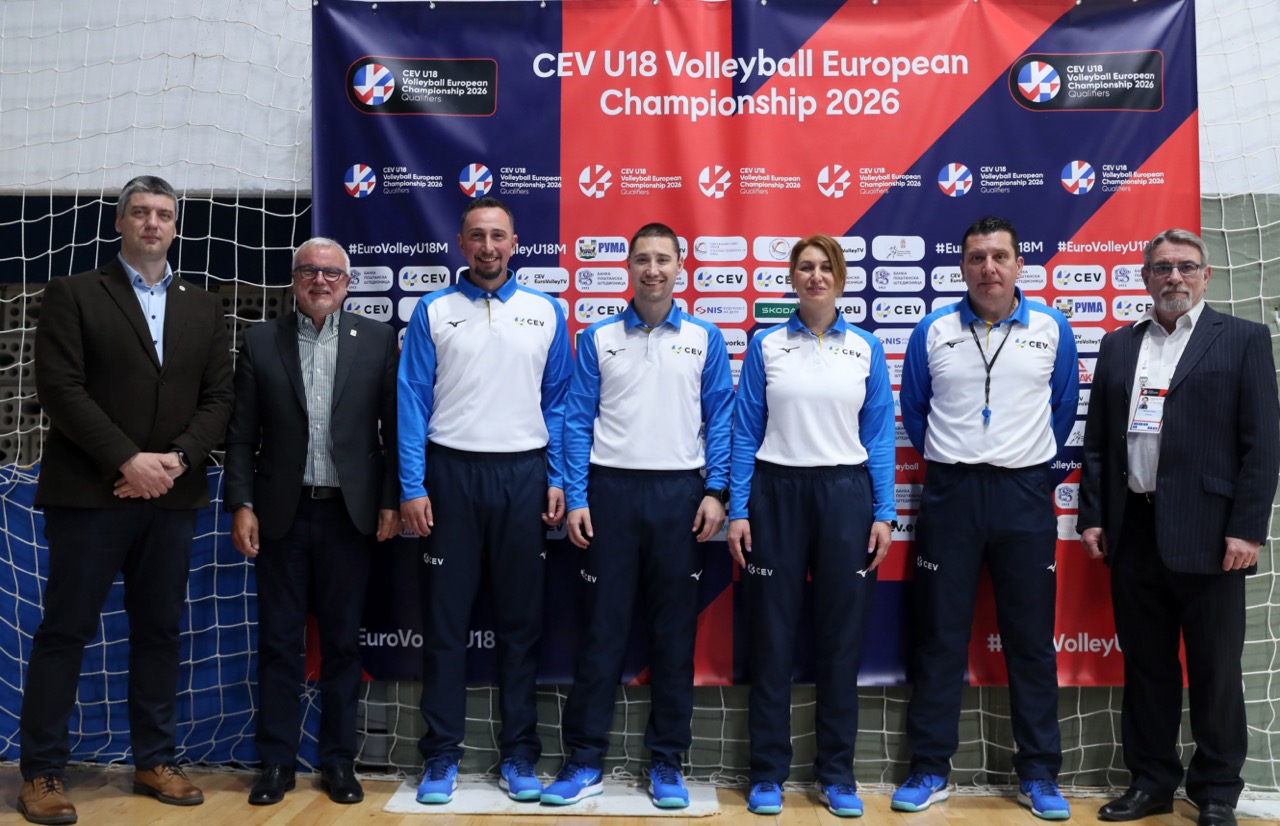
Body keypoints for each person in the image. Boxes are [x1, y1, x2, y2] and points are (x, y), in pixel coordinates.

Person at [18, 175, 234, 823]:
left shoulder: (204, 305)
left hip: (171, 495)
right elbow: (60, 389)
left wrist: (178, 460)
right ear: (119, 222)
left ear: (176, 226)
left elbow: (219, 398)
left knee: (159, 633)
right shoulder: (75, 293)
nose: (152, 223)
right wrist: (127, 460)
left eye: (163, 214)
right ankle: (42, 772)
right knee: (66, 632)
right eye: (140, 212)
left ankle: (155, 760)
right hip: (90, 495)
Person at [1078, 229, 1279, 826]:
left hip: (1213, 535)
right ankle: (1152, 783)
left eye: (1186, 267)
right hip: (1133, 529)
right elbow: (1097, 443)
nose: (1174, 277)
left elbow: (1263, 445)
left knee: (1216, 669)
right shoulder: (1119, 345)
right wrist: (1094, 515)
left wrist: (1247, 529)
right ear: (1145, 277)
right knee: (1147, 667)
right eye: (1162, 267)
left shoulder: (1242, 339)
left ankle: (1216, 791)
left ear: (1205, 275)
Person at [541, 223, 733, 809]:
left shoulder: (705, 337)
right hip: (610, 495)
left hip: (681, 498)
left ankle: (667, 762)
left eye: (663, 260)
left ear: (680, 268)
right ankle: (584, 762)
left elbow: (721, 418)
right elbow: (577, 419)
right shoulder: (598, 337)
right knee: (601, 634)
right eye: (643, 260)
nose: (653, 270)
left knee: (674, 637)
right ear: (628, 267)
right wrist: (577, 497)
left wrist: (717, 491)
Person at [895, 215, 1077, 820]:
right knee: (940, 636)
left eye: (999, 256)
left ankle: (1039, 774)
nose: (988, 268)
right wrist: (961, 461)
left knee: (1031, 641)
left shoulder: (1052, 328)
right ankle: (929, 769)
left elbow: (1062, 407)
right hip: (951, 494)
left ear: (1020, 265)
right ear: (963, 267)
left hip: (1024, 494)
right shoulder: (933, 329)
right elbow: (916, 409)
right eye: (977, 258)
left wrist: (1022, 464)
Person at [398, 196, 572, 804]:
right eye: (477, 235)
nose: (488, 246)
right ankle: (441, 756)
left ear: (515, 243)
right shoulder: (433, 309)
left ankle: (519, 754)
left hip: (523, 476)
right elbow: (412, 399)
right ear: (461, 243)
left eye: (498, 235)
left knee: (521, 625)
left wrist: (558, 477)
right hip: (451, 475)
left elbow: (560, 403)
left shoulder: (547, 311)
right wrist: (413, 484)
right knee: (445, 625)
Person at [224, 237, 401, 806]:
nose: (320, 280)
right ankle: (276, 762)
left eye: (331, 273)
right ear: (294, 280)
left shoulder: (378, 340)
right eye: (308, 271)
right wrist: (242, 503)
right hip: (282, 515)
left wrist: (391, 501)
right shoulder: (260, 341)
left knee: (343, 645)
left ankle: (338, 762)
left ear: (347, 283)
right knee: (280, 644)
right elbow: (240, 435)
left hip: (350, 517)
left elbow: (395, 429)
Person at [727, 234, 895, 818]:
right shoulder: (766, 344)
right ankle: (767, 773)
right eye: (806, 267)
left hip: (845, 496)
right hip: (776, 493)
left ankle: (837, 774)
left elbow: (878, 435)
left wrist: (884, 512)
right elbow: (745, 429)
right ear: (793, 278)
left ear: (840, 278)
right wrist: (740, 508)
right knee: (771, 639)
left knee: (840, 641)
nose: (816, 276)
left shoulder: (867, 347)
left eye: (826, 267)